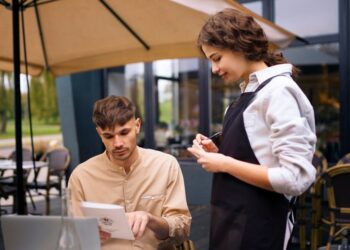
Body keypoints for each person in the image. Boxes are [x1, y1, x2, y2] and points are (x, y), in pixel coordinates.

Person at [187, 8, 316, 250]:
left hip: (261, 229)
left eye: (216, 58)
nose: (214, 69)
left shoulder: (278, 91)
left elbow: (294, 178)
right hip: (230, 222)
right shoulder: (247, 94)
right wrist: (218, 153)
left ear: (238, 45)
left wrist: (224, 163)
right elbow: (256, 157)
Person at [68, 96, 191, 250]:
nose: (118, 143)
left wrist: (150, 219)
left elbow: (182, 230)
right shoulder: (81, 176)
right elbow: (72, 236)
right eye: (108, 136)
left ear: (137, 125)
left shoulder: (166, 165)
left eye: (124, 132)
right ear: (99, 133)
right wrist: (86, 235)